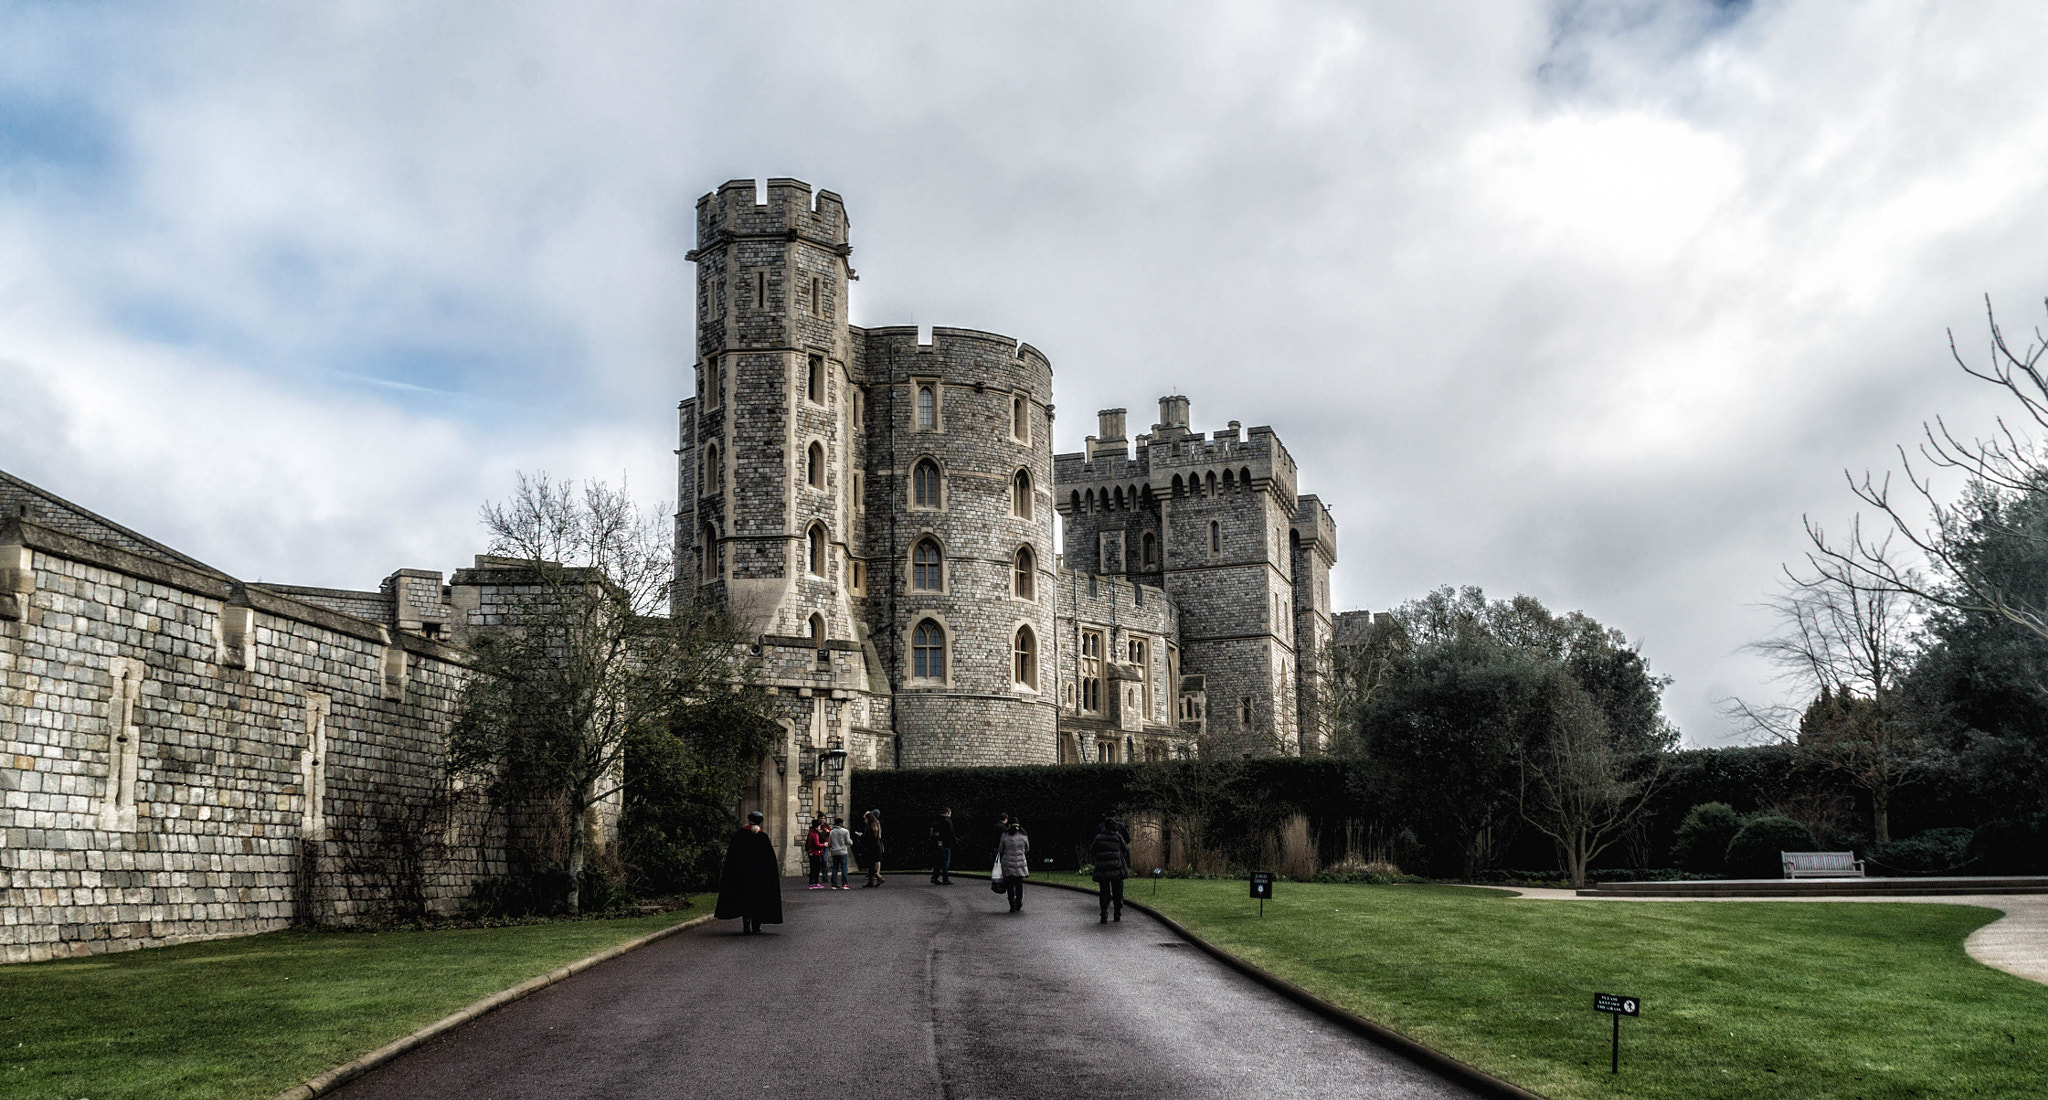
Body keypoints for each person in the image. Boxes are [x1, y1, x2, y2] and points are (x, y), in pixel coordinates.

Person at [714, 810, 783, 934]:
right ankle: (756, 926)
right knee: (758, 900)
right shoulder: (762, 837)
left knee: (745, 899)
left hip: (742, 876)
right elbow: (769, 860)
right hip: (759, 877)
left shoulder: (739, 835)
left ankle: (746, 925)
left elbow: (732, 858)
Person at [1090, 815, 1132, 923]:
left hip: (1103, 869)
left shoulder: (1099, 838)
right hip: (1116, 868)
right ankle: (1117, 913)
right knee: (1118, 891)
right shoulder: (1118, 838)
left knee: (1104, 891)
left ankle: (1104, 913)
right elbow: (1125, 849)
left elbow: (1092, 850)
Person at [997, 818, 1030, 912]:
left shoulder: (1005, 835)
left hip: (1008, 863)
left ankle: (1012, 904)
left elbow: (1000, 849)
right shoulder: (1023, 835)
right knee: (1019, 884)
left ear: (1009, 824)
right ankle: (1019, 901)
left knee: (1010, 885)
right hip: (1020, 863)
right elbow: (1027, 848)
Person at [856, 809, 886, 887]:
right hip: (877, 847)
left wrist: (860, 836)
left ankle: (879, 877)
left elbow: (867, 838)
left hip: (871, 849)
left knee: (871, 865)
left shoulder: (870, 827)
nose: (864, 821)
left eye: (865, 819)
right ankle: (871, 882)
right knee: (871, 865)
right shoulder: (876, 825)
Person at [929, 807, 956, 885]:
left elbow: (931, 832)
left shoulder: (935, 821)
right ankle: (945, 879)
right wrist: (954, 841)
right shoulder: (947, 821)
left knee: (938, 861)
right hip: (945, 844)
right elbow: (951, 833)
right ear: (947, 813)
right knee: (945, 862)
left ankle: (934, 877)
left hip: (936, 844)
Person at [804, 814, 830, 890]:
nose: (820, 828)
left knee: (814, 868)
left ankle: (813, 883)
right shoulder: (814, 834)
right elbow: (816, 844)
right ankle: (814, 883)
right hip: (815, 852)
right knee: (815, 868)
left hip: (814, 852)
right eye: (819, 827)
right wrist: (824, 845)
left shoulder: (813, 832)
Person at [827, 816, 852, 889]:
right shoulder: (845, 831)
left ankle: (834, 884)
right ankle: (844, 884)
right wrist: (851, 841)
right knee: (844, 867)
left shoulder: (832, 832)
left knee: (835, 868)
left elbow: (829, 843)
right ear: (842, 823)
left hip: (834, 852)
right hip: (843, 851)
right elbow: (848, 842)